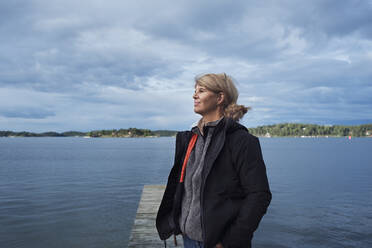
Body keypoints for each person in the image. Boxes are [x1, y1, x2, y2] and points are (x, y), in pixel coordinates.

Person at [156, 73, 272, 248]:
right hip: (189, 239)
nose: (194, 95)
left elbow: (259, 195)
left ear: (219, 97)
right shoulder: (191, 139)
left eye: (201, 90)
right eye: (194, 91)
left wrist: (229, 242)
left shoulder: (242, 141)